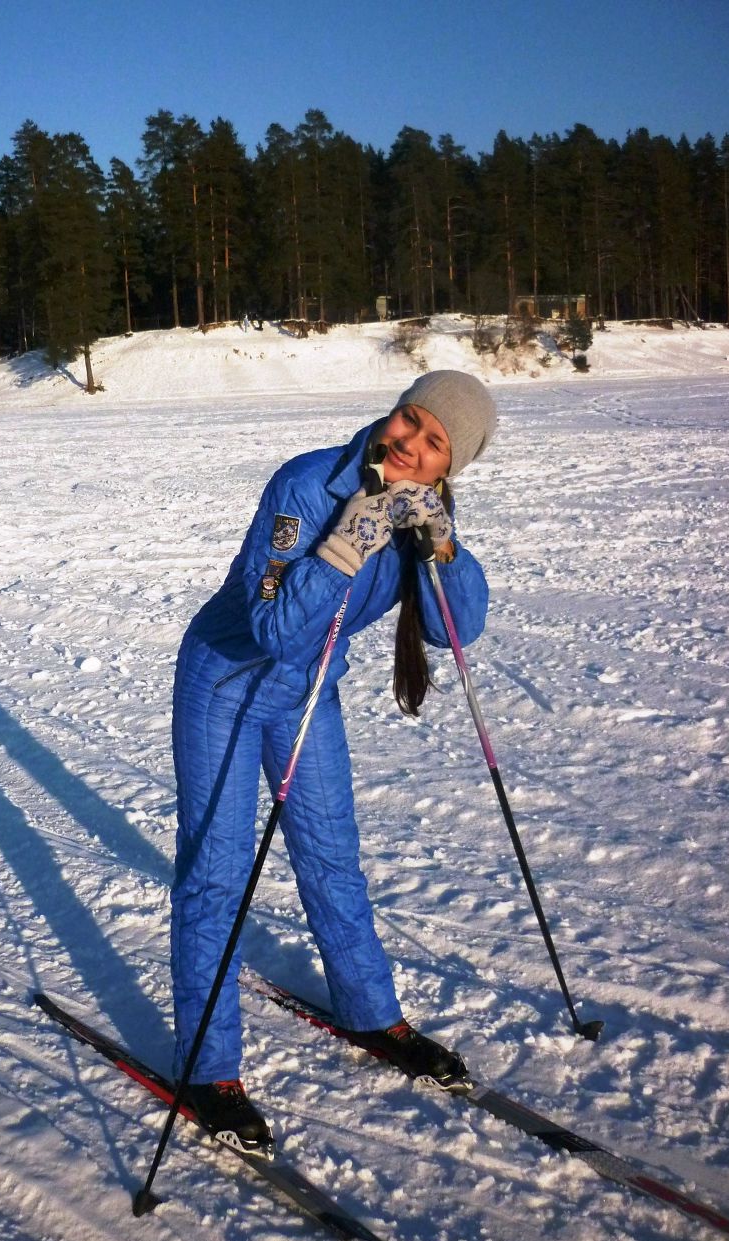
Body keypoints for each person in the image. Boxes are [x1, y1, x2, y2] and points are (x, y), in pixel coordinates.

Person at [171, 369, 497, 1154]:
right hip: (226, 682)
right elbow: (274, 629)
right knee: (216, 873)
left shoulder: (423, 504)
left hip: (309, 693)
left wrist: (441, 544)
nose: (409, 447)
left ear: (452, 465)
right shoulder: (309, 486)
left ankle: (369, 1011)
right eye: (408, 421)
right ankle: (207, 1067)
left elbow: (458, 630)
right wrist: (351, 538)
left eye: (433, 444)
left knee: (331, 857)